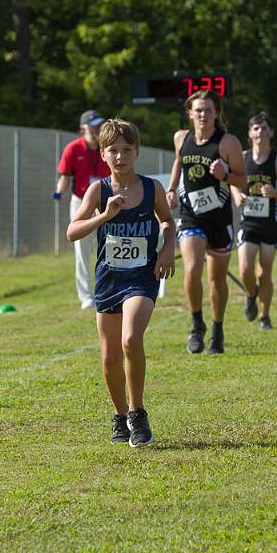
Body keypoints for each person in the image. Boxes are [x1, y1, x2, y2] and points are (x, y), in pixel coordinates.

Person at [66, 119, 176, 447]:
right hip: (108, 279)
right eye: (113, 150)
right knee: (109, 357)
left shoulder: (151, 188)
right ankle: (118, 416)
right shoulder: (98, 190)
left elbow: (168, 221)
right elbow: (73, 231)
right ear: (103, 155)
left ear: (137, 152)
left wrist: (167, 250)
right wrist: (104, 216)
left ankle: (137, 412)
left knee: (131, 339)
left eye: (126, 150)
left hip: (142, 277)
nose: (120, 157)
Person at [166, 89, 247, 354]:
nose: (203, 115)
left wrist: (225, 175)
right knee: (191, 269)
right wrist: (171, 189)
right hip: (191, 215)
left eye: (208, 110)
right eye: (198, 110)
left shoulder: (228, 143)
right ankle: (196, 323)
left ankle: (217, 328)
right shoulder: (181, 138)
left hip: (219, 218)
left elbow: (242, 179)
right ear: (190, 114)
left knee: (217, 280)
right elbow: (179, 162)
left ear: (216, 113)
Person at [231, 111, 277, 330]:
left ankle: (264, 315)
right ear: (249, 133)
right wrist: (238, 195)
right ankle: (250, 294)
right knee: (245, 269)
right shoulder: (243, 157)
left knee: (264, 272)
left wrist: (274, 192)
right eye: (256, 128)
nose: (260, 132)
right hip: (248, 221)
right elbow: (234, 182)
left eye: (264, 128)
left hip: (270, 222)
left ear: (271, 132)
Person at [56, 110, 110, 308]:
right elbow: (64, 178)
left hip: (107, 201)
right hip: (81, 202)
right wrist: (58, 194)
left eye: (99, 125)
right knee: (82, 249)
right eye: (93, 125)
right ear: (82, 129)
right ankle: (86, 296)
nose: (97, 129)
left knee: (108, 247)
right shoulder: (73, 149)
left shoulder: (107, 147)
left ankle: (106, 290)